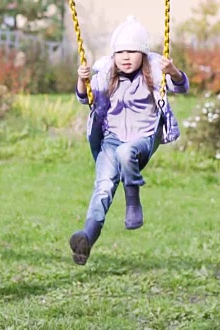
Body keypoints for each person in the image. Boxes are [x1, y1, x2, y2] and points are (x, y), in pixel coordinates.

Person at [69, 16, 189, 265]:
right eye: (120, 51)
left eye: (132, 51)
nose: (126, 57)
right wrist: (82, 79)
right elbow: (85, 98)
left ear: (143, 53)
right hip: (111, 141)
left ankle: (133, 201)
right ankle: (86, 239)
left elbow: (180, 87)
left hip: (143, 139)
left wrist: (173, 72)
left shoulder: (155, 70)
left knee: (126, 153)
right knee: (102, 188)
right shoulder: (106, 74)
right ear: (113, 55)